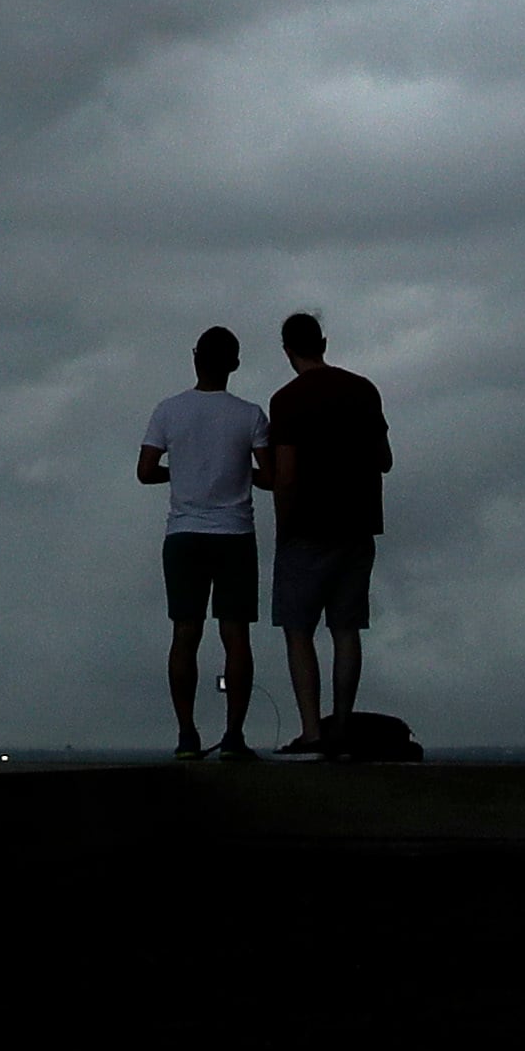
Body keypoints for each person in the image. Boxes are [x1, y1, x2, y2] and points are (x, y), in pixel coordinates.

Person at [136, 326, 269, 759]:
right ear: (234, 363)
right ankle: (233, 735)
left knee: (185, 634)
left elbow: (145, 469)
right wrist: (238, 471)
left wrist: (183, 471)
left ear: (196, 358)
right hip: (234, 534)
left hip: (184, 534)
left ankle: (187, 734)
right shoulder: (250, 415)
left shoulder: (169, 411)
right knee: (235, 637)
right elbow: (269, 476)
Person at [263, 310, 391, 758]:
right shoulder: (363, 390)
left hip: (307, 528)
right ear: (324, 342)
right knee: (346, 629)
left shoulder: (287, 401)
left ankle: (312, 732)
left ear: (288, 351)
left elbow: (286, 474)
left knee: (298, 630)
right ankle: (341, 725)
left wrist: (283, 528)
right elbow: (384, 459)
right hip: (357, 526)